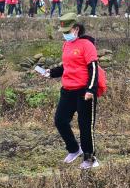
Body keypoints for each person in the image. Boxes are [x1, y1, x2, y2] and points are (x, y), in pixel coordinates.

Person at [42, 14, 101, 169]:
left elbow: (93, 68)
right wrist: (52, 72)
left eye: (67, 31)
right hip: (67, 90)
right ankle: (74, 149)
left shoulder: (87, 45)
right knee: (60, 120)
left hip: (84, 91)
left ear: (76, 29)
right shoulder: (66, 45)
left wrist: (90, 89)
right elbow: (66, 66)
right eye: (63, 31)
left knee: (85, 125)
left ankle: (90, 157)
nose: (65, 34)